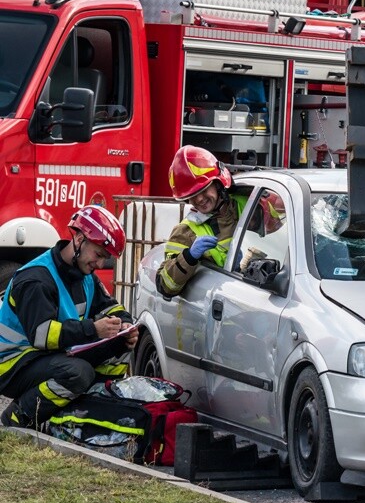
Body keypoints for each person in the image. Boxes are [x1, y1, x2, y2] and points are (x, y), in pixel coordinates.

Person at [0, 205, 137, 428]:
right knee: (77, 373)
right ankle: (18, 417)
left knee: (119, 349)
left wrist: (125, 325)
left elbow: (109, 306)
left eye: (105, 259)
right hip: (12, 365)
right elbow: (42, 336)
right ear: (80, 239)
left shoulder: (85, 274)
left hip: (47, 356)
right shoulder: (36, 279)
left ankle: (79, 418)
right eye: (99, 255)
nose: (100, 264)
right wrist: (94, 329)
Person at [157, 145, 249, 297]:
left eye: (204, 189)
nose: (199, 199)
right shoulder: (185, 232)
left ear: (218, 184)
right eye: (192, 195)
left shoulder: (248, 203)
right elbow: (165, 286)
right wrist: (189, 257)